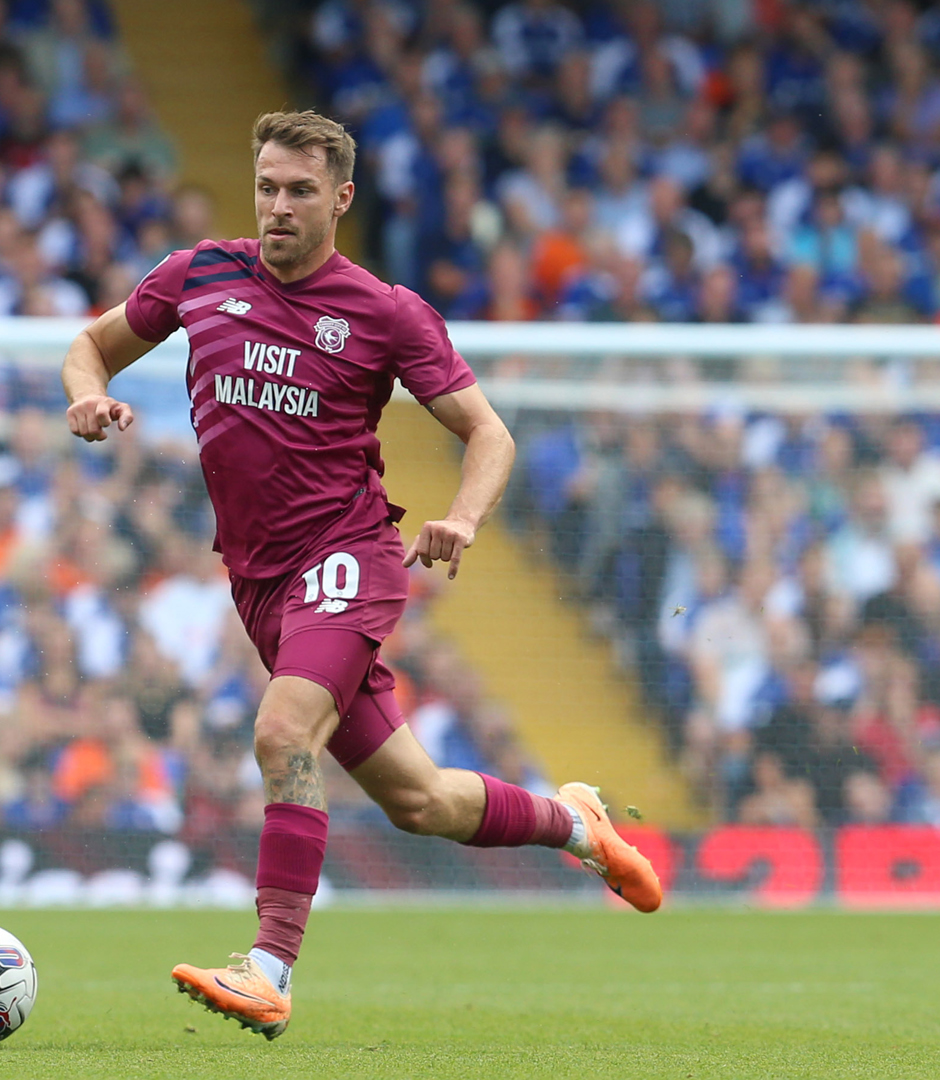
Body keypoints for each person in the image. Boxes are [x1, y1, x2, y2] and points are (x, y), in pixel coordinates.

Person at [60, 111, 662, 1039]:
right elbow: (90, 343)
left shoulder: (383, 310)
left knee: (283, 729)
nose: (278, 207)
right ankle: (576, 823)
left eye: (300, 191)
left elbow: (488, 433)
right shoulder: (199, 275)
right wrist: (87, 396)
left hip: (348, 556)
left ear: (341, 198)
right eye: (267, 186)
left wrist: (460, 518)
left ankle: (269, 969)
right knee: (419, 800)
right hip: (261, 585)